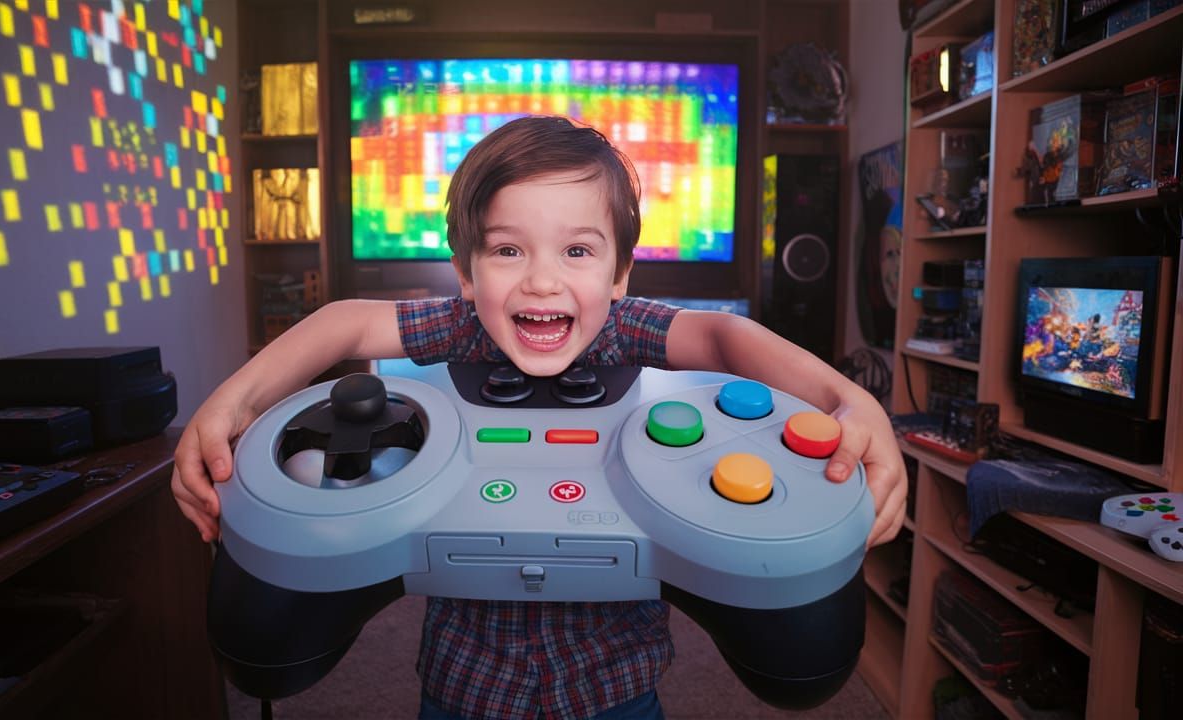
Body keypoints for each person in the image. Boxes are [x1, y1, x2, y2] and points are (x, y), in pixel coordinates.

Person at [172, 116, 907, 720]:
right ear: (466, 271)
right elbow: (343, 323)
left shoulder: (625, 330)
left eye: (579, 250)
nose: (543, 279)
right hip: (467, 684)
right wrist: (235, 400)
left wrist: (850, 402)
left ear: (620, 274)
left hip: (613, 687)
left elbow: (723, 337)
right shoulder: (464, 327)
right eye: (508, 250)